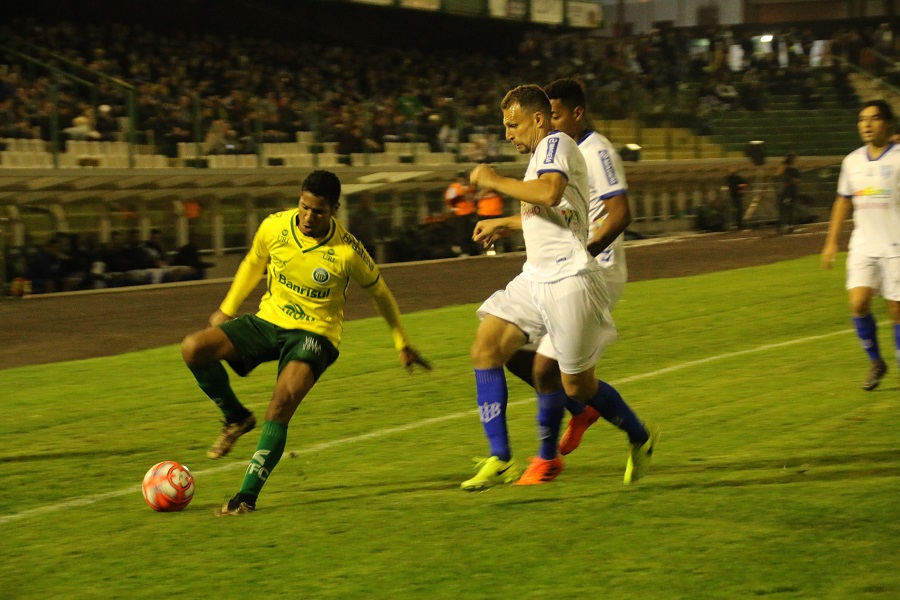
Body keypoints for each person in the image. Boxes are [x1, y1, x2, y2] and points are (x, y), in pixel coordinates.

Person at [181, 170, 431, 516]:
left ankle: (245, 498)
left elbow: (380, 293)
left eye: (318, 211)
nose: (308, 217)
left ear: (334, 210)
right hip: (269, 321)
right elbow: (254, 261)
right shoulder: (275, 227)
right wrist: (227, 308)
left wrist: (401, 342)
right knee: (193, 348)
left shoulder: (347, 251)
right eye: (304, 207)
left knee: (281, 403)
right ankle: (236, 418)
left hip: (316, 335)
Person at [460, 84, 656, 491]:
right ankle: (501, 458)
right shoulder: (541, 156)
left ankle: (639, 435)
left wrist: (494, 179)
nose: (508, 134)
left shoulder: (557, 144)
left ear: (537, 119)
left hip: (570, 281)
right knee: (485, 348)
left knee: (577, 385)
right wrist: (505, 223)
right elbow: (552, 212)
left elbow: (549, 193)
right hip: (535, 278)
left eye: (513, 125)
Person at [821, 100, 900, 391]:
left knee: (896, 311)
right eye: (861, 119)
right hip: (864, 245)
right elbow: (843, 200)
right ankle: (876, 362)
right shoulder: (852, 161)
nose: (866, 125)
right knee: (858, 303)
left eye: (874, 118)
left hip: (896, 246)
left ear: (888, 123)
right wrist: (831, 242)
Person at [444, 170, 478, 255]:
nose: (463, 180)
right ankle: (464, 251)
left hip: (470, 213)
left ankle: (473, 251)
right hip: (460, 213)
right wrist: (453, 207)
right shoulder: (455, 187)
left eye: (464, 178)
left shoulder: (470, 187)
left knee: (471, 232)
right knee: (462, 233)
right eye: (461, 178)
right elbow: (449, 198)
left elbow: (473, 198)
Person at [776, 153, 800, 233]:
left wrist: (790, 180)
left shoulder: (794, 169)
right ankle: (785, 225)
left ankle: (788, 225)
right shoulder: (785, 168)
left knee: (788, 208)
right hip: (785, 191)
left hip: (790, 191)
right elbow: (778, 173)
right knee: (784, 208)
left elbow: (797, 180)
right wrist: (784, 164)